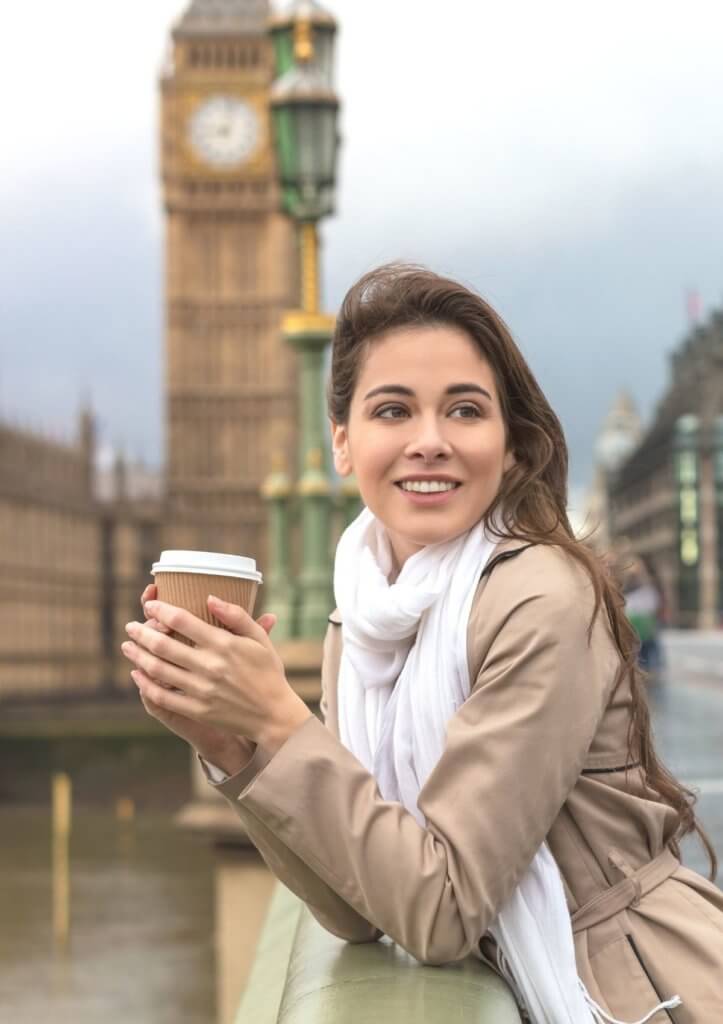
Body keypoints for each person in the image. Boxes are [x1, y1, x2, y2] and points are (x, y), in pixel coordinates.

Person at [121, 264, 723, 1023]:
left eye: (465, 411)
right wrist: (235, 747)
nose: (428, 441)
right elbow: (354, 909)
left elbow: (441, 911)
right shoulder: (363, 612)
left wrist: (278, 718)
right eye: (393, 411)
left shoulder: (539, 597)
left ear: (510, 446)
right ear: (343, 442)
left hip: (641, 989)